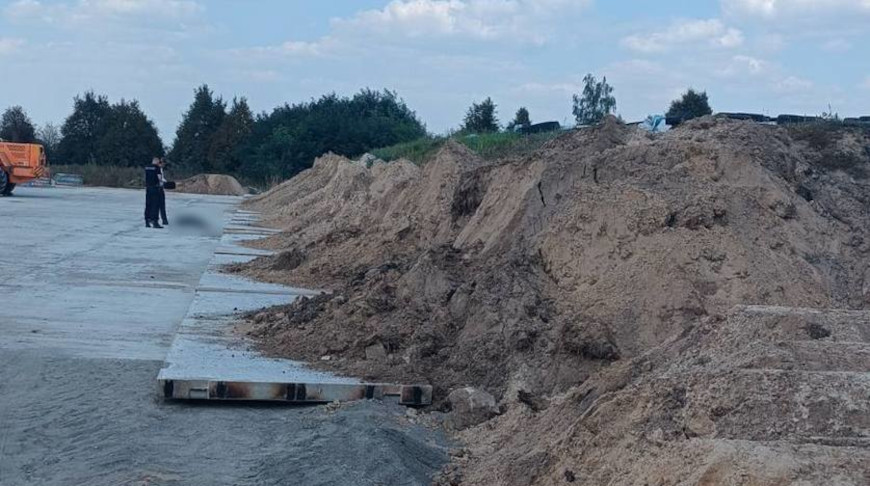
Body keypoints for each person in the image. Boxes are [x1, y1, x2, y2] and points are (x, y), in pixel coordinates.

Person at [144, 157, 163, 228]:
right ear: (157, 162)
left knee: (148, 204)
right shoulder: (157, 168)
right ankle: (155, 221)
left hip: (148, 188)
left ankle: (147, 221)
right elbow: (159, 178)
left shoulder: (147, 167)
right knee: (155, 205)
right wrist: (161, 184)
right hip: (155, 188)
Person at [157, 158, 169, 226]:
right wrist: (165, 182)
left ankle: (164, 220)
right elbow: (160, 179)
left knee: (161, 205)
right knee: (161, 205)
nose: (164, 165)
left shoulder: (160, 169)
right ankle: (164, 220)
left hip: (159, 188)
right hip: (159, 188)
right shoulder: (158, 169)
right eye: (163, 164)